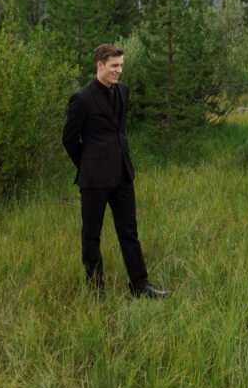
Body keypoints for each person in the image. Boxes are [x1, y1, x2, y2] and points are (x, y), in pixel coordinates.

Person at [62, 43, 169, 299]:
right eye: (114, 66)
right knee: (91, 235)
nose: (119, 70)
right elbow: (68, 139)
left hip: (122, 174)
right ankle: (96, 290)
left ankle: (140, 285)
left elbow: (117, 131)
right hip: (94, 179)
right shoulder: (82, 98)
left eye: (121, 65)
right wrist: (87, 165)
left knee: (129, 232)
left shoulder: (123, 91)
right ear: (100, 65)